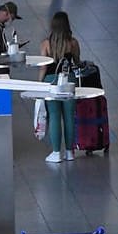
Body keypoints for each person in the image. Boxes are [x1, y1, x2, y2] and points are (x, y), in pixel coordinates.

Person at [40, 11, 81, 162]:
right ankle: (70, 152)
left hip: (51, 82)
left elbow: (43, 67)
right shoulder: (73, 43)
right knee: (69, 116)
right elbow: (77, 62)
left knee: (54, 116)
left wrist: (40, 83)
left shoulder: (46, 44)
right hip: (69, 81)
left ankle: (56, 152)